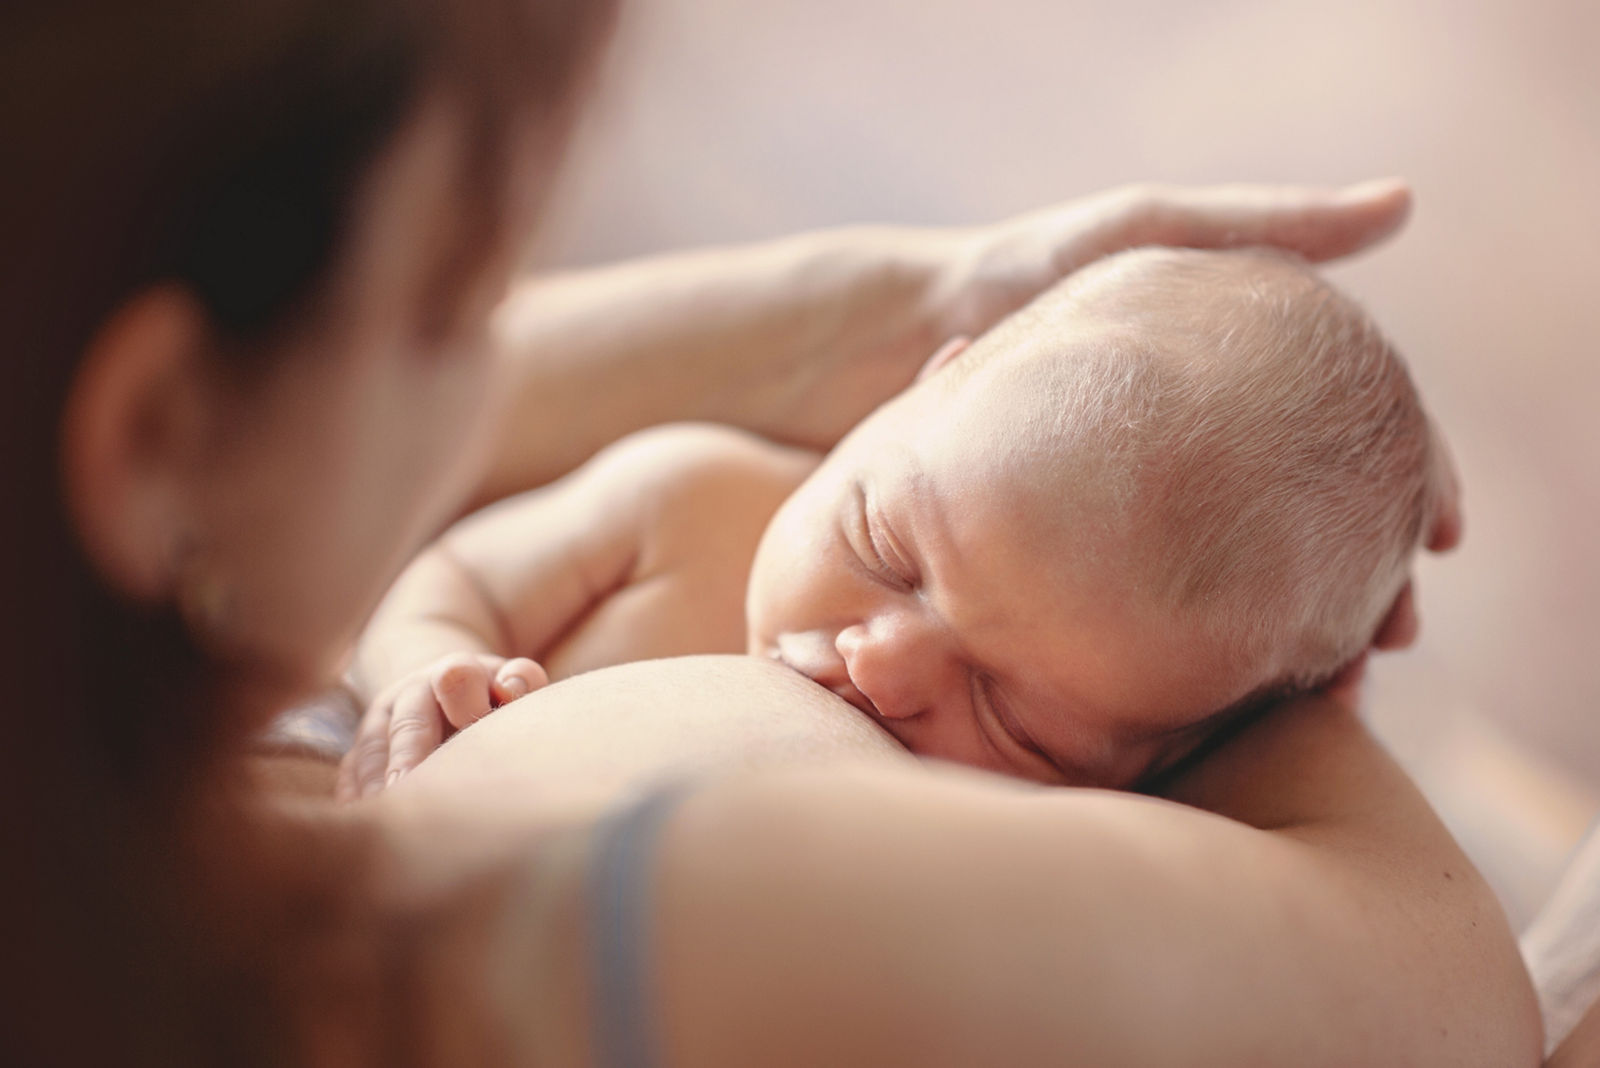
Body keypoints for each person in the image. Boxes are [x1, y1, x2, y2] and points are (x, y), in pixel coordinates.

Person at [2, 0, 1541, 1064]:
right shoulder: (671, 907)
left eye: (1023, 713)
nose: (508, 371)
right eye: (463, 304)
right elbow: (1461, 1001)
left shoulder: (138, 763)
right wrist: (1261, 693)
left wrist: (891, 342)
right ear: (160, 437)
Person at [340, 245, 1449, 798]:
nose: (882, 661)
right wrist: (430, 671)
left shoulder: (1036, 838)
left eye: (1021, 725)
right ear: (918, 387)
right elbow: (453, 578)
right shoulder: (688, 500)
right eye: (887, 551)